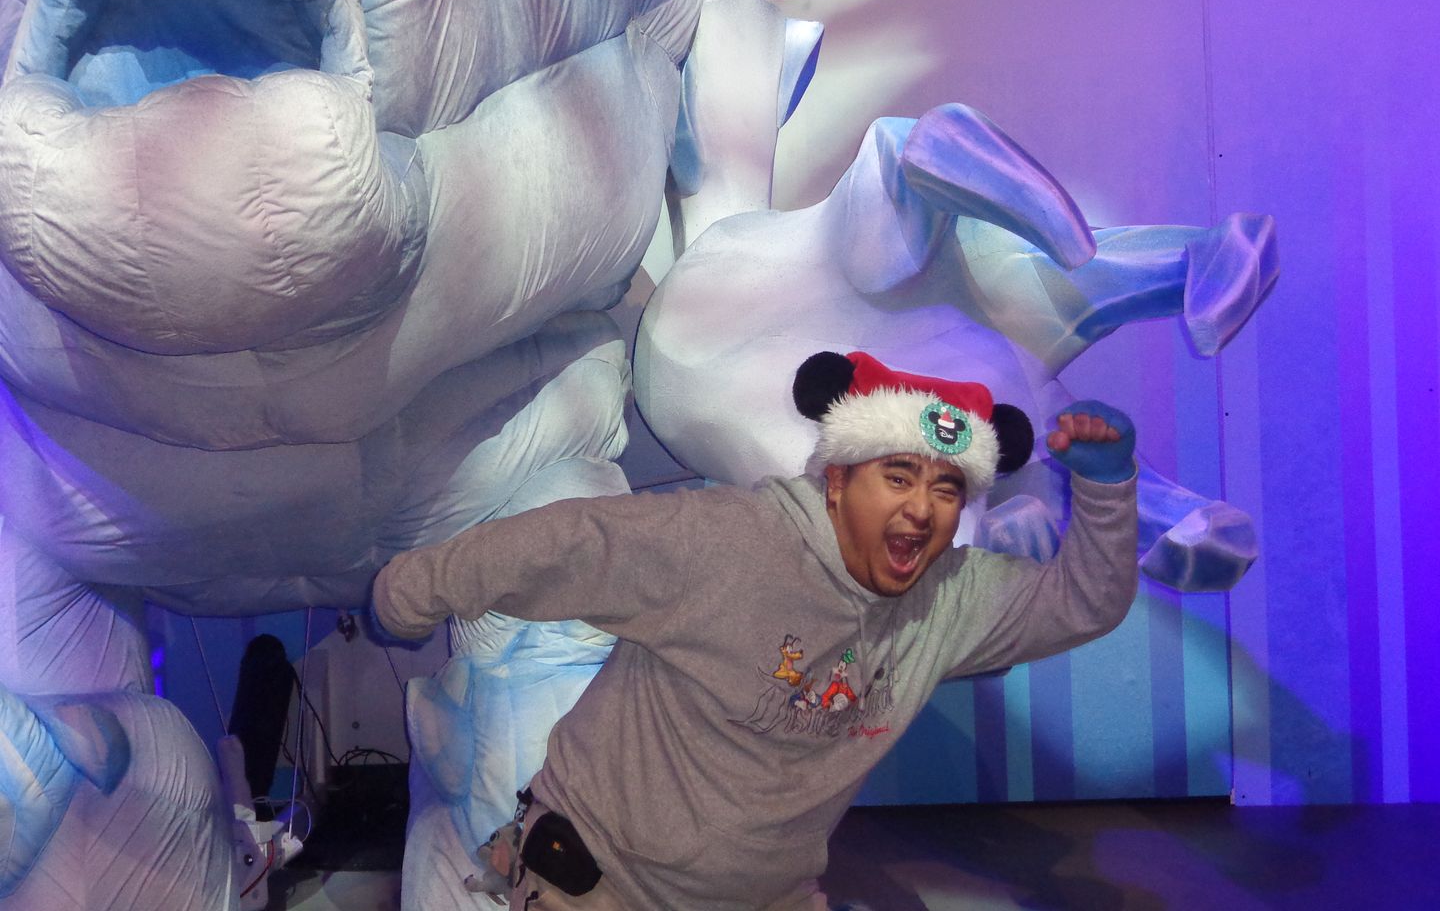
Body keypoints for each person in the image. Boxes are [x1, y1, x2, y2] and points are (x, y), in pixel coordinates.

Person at [373, 351, 1139, 910]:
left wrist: (1106, 489)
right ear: (838, 480)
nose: (921, 508)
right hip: (601, 882)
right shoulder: (730, 541)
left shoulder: (946, 599)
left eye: (946, 487)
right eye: (898, 477)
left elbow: (1082, 602)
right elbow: (568, 544)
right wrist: (409, 593)